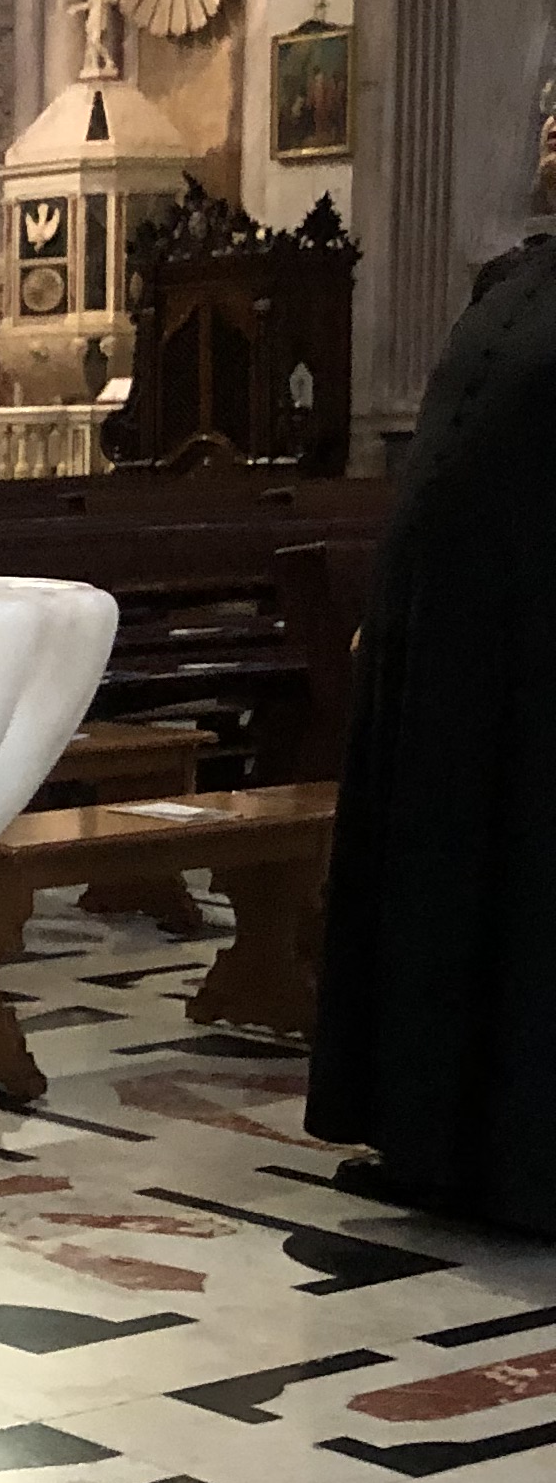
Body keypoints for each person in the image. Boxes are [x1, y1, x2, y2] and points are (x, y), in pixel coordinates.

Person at [309, 124, 556, 1232]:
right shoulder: (510, 278)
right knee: (434, 882)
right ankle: (424, 1139)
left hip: (538, 656)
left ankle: (525, 1162)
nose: (549, 125)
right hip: (445, 650)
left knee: (526, 892)